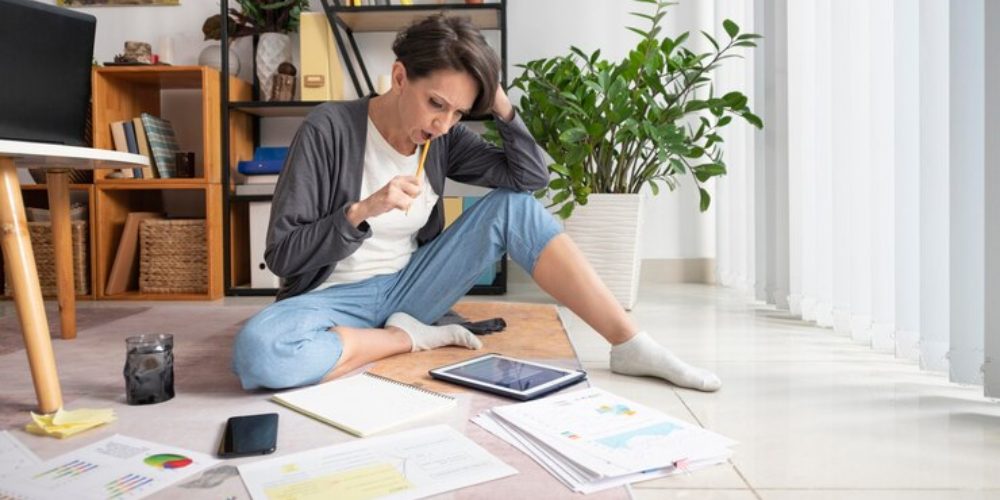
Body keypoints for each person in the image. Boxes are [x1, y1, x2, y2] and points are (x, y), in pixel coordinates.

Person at [231, 14, 722, 393]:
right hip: (331, 298)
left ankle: (631, 344)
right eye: (436, 103)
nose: (444, 123)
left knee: (516, 209)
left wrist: (501, 104)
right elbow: (281, 255)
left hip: (412, 287)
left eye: (460, 111)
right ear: (399, 76)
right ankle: (410, 338)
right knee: (260, 354)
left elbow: (529, 178)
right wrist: (360, 212)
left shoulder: (441, 139)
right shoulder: (329, 129)